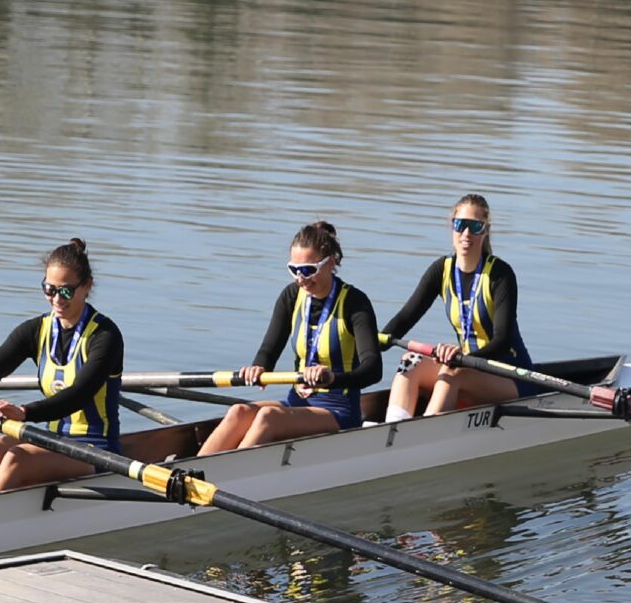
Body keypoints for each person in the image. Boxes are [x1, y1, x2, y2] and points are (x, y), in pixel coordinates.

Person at [0, 238, 124, 498]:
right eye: (49, 289)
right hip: (52, 441)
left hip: (95, 449)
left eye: (66, 291)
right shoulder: (36, 330)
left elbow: (79, 394)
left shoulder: (105, 336)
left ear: (87, 287)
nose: (57, 299)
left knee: (17, 458)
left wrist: (24, 412)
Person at [199, 222, 383, 455]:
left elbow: (373, 369)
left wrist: (331, 378)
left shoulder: (355, 303)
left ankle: (218, 476)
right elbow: (269, 349)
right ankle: (188, 475)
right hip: (297, 403)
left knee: (269, 417)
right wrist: (258, 368)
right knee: (239, 411)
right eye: (293, 269)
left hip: (338, 410)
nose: (300, 278)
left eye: (308, 270)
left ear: (331, 262)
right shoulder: (291, 296)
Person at [381, 193, 533, 418]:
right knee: (409, 361)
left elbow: (501, 341)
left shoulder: (500, 275)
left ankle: (420, 437)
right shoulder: (441, 270)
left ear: (486, 230)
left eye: (475, 226)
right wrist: (372, 345)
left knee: (453, 375)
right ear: (452, 227)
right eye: (460, 225)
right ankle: (392, 431)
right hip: (465, 365)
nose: (466, 234)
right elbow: (404, 319)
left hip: (510, 375)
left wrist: (463, 358)